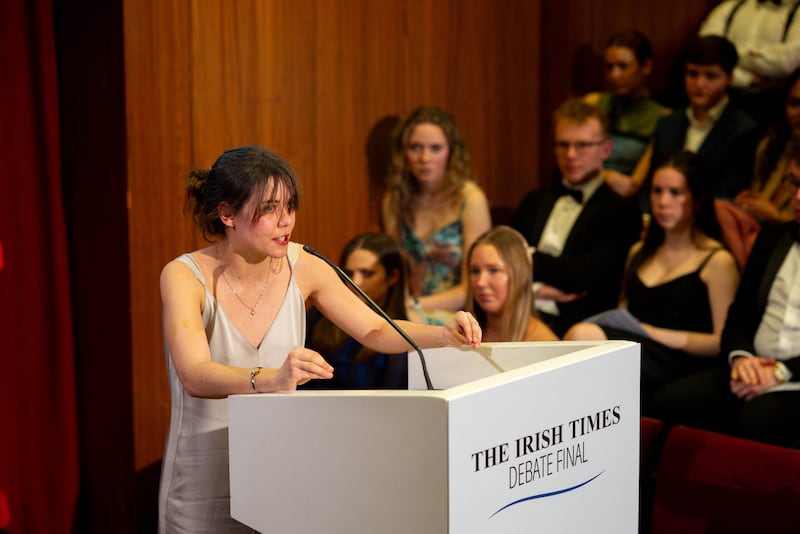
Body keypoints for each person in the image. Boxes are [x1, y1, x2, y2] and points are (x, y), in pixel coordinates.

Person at [157, 145, 481, 533]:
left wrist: (443, 335)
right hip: (203, 473)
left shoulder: (305, 265)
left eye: (290, 206)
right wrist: (274, 378)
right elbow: (194, 375)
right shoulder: (184, 275)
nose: (286, 221)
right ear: (226, 214)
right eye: (269, 209)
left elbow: (375, 329)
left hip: (280, 466)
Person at [650, 134, 800, 448]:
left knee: (755, 421)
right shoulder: (773, 238)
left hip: (796, 379)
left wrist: (781, 372)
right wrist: (742, 358)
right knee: (666, 402)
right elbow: (739, 316)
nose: (797, 197)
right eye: (794, 183)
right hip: (749, 366)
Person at [564, 150, 740, 412]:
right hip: (638, 349)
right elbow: (623, 312)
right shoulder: (639, 251)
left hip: (681, 359)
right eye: (657, 191)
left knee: (583, 335)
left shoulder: (717, 260)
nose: (663, 202)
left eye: (675, 192)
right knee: (581, 336)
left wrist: (654, 333)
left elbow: (722, 341)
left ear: (697, 198)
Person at [511, 98, 643, 337]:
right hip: (516, 312)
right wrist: (536, 289)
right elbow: (506, 260)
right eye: (563, 145)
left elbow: (586, 275)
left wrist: (528, 256)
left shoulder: (622, 212)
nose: (571, 155)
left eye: (582, 145)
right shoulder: (533, 201)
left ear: (606, 150)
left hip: (573, 327)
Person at [381, 106, 492, 322]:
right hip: (407, 312)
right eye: (415, 147)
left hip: (459, 315)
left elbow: (472, 286)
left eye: (435, 148)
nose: (424, 158)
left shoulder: (470, 199)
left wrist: (414, 306)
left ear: (451, 152)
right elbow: (395, 273)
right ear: (403, 153)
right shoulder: (395, 200)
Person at [645, 35, 761, 205]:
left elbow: (728, 193)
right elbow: (650, 183)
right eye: (692, 74)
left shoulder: (744, 129)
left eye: (710, 76)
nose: (699, 84)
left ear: (729, 79)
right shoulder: (668, 123)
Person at [303, 232, 414, 389]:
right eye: (348, 273)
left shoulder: (402, 331)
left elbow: (393, 396)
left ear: (392, 277)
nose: (355, 282)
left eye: (367, 273)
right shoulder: (318, 315)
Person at [584, 30, 670, 198]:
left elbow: (633, 185)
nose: (614, 75)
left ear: (646, 66)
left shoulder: (663, 118)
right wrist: (604, 176)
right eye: (609, 67)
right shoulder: (592, 103)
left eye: (623, 66)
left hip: (628, 199)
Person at [699, 0, 800, 129]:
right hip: (723, 99)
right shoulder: (730, 7)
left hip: (773, 104)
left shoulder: (797, 11)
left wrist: (728, 55)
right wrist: (747, 79)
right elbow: (706, 53)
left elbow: (786, 63)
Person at [465, 226, 559, 342]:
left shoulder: (541, 341)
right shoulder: (460, 334)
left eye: (494, 270)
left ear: (519, 275)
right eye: (475, 271)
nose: (481, 282)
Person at [734, 68, 800, 224]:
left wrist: (775, 216)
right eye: (794, 104)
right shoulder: (770, 145)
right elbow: (756, 197)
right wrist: (747, 201)